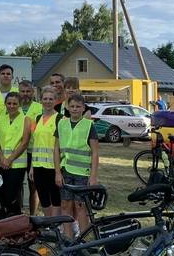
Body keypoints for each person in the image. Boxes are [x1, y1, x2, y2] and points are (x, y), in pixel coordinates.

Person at [54, 93, 99, 238]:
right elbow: (56, 149)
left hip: (82, 172)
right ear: (67, 107)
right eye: (72, 106)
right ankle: (68, 237)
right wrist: (57, 172)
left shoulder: (88, 125)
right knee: (66, 205)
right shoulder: (61, 123)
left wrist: (93, 176)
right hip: (65, 170)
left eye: (78, 107)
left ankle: (83, 239)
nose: (74, 109)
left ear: (83, 108)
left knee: (80, 206)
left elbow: (95, 152)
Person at [0, 92, 32, 217]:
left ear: (20, 104)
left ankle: (14, 217)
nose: (11, 106)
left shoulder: (26, 120)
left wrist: (10, 159)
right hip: (1, 162)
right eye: (9, 103)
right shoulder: (1, 118)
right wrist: (2, 158)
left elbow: (25, 142)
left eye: (15, 103)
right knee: (2, 191)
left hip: (17, 164)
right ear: (5, 104)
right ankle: (3, 214)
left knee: (13, 193)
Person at [30, 87, 62, 218]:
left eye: (51, 99)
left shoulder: (60, 119)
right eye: (45, 99)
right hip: (38, 166)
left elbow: (60, 146)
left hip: (53, 166)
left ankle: (56, 224)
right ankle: (49, 224)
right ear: (40, 100)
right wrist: (32, 167)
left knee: (55, 197)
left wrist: (58, 171)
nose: (47, 101)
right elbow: (35, 143)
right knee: (43, 196)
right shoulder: (37, 118)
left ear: (55, 101)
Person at [18, 80, 43, 215]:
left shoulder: (39, 108)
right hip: (16, 152)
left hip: (32, 151)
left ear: (33, 93)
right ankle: (17, 214)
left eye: (28, 91)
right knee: (16, 184)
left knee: (33, 186)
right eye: (23, 91)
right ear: (19, 92)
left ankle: (33, 216)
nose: (25, 94)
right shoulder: (13, 106)